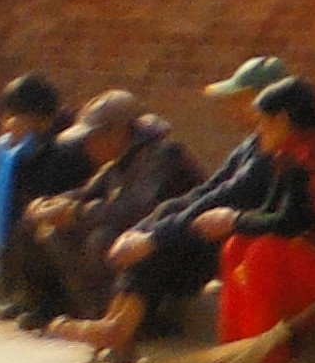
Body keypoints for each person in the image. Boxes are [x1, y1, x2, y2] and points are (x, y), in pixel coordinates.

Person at [63, 56, 285, 362]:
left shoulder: (276, 150)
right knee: (146, 240)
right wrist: (146, 229)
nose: (233, 108)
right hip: (227, 232)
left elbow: (229, 194)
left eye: (241, 100)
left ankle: (121, 329)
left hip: (256, 239)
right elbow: (207, 191)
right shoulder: (252, 145)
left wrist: (154, 237)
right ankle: (116, 324)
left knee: (158, 248)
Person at [207, 78, 315, 347]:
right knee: (236, 245)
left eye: (262, 123)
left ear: (282, 121)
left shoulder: (311, 155)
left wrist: (234, 219)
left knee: (264, 255)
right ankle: (234, 350)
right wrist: (234, 223)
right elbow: (268, 213)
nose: (258, 132)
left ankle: (266, 357)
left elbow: (291, 221)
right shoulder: (287, 154)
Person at [19, 93, 194, 334]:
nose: (86, 146)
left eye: (93, 137)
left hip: (175, 250)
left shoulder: (162, 156)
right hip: (148, 242)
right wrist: (50, 204)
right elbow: (87, 192)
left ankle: (137, 319)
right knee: (50, 231)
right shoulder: (120, 159)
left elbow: (137, 209)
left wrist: (76, 213)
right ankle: (82, 310)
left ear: (118, 132)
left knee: (102, 239)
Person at [0, 77, 90, 320]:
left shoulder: (64, 144)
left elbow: (48, 186)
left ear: (37, 118)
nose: (8, 123)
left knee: (35, 231)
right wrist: (10, 155)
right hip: (31, 212)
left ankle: (49, 303)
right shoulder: (16, 145)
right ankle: (21, 297)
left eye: (15, 115)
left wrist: (25, 155)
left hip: (63, 214)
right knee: (11, 223)